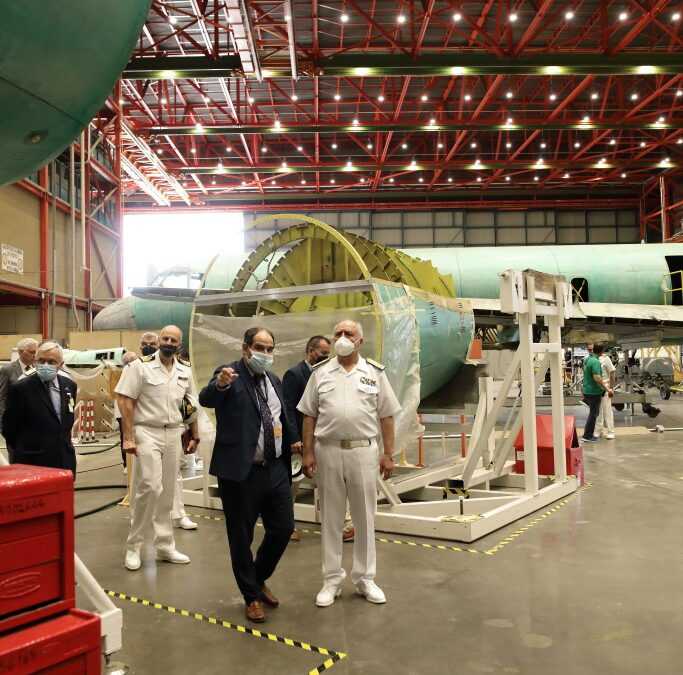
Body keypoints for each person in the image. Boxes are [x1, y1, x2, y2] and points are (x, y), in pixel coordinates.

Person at [199, 327, 299, 623]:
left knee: (283, 528)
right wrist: (220, 385)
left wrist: (294, 441)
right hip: (241, 471)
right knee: (241, 536)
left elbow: (281, 416)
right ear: (245, 348)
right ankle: (251, 596)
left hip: (275, 467)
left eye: (269, 349)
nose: (265, 354)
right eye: (259, 347)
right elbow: (206, 398)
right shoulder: (229, 374)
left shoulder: (274, 380)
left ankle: (257, 577)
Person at [298, 319, 401, 607]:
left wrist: (389, 454)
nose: (343, 337)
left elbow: (387, 416)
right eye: (338, 333)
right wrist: (308, 453)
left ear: (360, 341)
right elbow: (309, 415)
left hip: (363, 451)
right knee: (331, 517)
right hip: (328, 450)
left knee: (364, 516)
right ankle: (331, 579)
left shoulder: (374, 373)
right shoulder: (320, 373)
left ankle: (365, 577)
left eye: (349, 333)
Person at [116, 325, 199, 571]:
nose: (168, 343)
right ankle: (134, 546)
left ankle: (165, 546)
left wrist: (194, 433)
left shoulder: (185, 370)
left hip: (173, 432)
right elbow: (125, 400)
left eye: (174, 340)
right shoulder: (139, 367)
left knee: (168, 492)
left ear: (179, 344)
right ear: (159, 340)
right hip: (146, 430)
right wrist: (128, 437)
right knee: (150, 487)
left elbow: (190, 405)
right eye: (165, 338)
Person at [1, 341, 78, 473]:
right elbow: (9, 428)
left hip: (64, 461)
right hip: (33, 462)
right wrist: (24, 450)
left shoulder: (69, 385)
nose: (45, 365)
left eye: (51, 362)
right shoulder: (21, 388)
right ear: (35, 362)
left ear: (61, 365)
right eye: (41, 361)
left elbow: (67, 419)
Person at [282, 335, 331, 542]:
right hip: (300, 441)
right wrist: (295, 438)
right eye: (323, 353)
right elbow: (288, 409)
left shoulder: (327, 374)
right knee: (293, 485)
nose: (326, 357)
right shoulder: (294, 374)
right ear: (311, 351)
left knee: (330, 483)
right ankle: (286, 526)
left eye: (328, 354)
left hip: (322, 439)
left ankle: (338, 525)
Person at [0, 337, 38, 461]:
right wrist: (3, 422)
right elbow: (2, 397)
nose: (35, 355)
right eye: (32, 352)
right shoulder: (7, 370)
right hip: (14, 423)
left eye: (36, 352)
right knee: (16, 456)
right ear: (21, 352)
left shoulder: (38, 369)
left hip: (34, 422)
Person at [115, 349, 142, 472]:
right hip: (124, 412)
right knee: (125, 436)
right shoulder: (126, 372)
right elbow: (122, 397)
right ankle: (126, 464)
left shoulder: (138, 371)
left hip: (136, 412)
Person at [581, 343, 613, 443]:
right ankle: (587, 436)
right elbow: (597, 378)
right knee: (594, 414)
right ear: (602, 351)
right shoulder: (595, 362)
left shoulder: (587, 360)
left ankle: (592, 433)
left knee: (595, 413)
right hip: (594, 392)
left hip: (588, 390)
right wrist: (607, 389)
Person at [595, 350, 617, 440]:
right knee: (598, 411)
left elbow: (612, 373)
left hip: (606, 387)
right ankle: (598, 431)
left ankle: (611, 431)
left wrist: (611, 388)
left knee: (607, 410)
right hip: (596, 389)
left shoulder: (606, 359)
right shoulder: (592, 359)